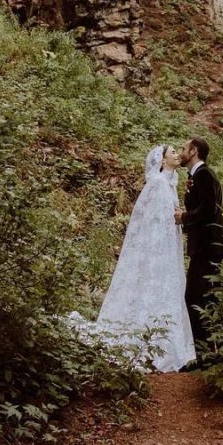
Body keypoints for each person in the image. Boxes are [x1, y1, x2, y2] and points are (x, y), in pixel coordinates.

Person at [90, 144, 196, 372]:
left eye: (178, 152)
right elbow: (151, 221)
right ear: (162, 161)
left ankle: (169, 340)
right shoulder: (157, 184)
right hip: (158, 247)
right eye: (173, 153)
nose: (178, 155)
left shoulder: (170, 183)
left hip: (169, 245)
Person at [175, 137, 223, 350]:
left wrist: (184, 217)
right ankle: (209, 352)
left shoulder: (204, 174)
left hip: (208, 249)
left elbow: (209, 209)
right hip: (204, 249)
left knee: (197, 298)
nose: (180, 152)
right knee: (206, 299)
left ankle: (203, 354)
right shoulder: (197, 175)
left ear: (194, 151)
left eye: (184, 148)